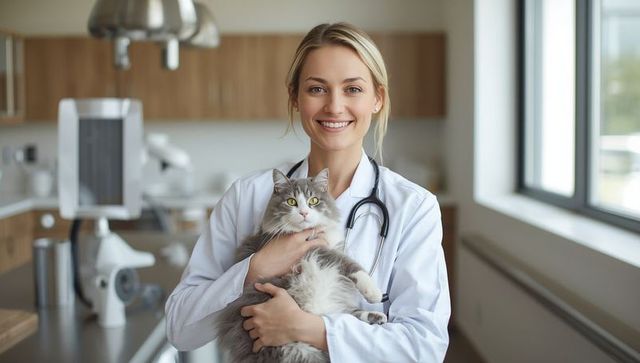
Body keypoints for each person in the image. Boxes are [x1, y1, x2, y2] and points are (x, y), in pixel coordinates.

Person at [165, 22, 451, 362]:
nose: (334, 106)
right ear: (295, 98)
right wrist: (253, 269)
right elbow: (180, 329)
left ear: (378, 98)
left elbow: (425, 347)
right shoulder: (246, 196)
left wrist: (310, 329)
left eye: (353, 89)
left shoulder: (413, 207)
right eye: (317, 89)